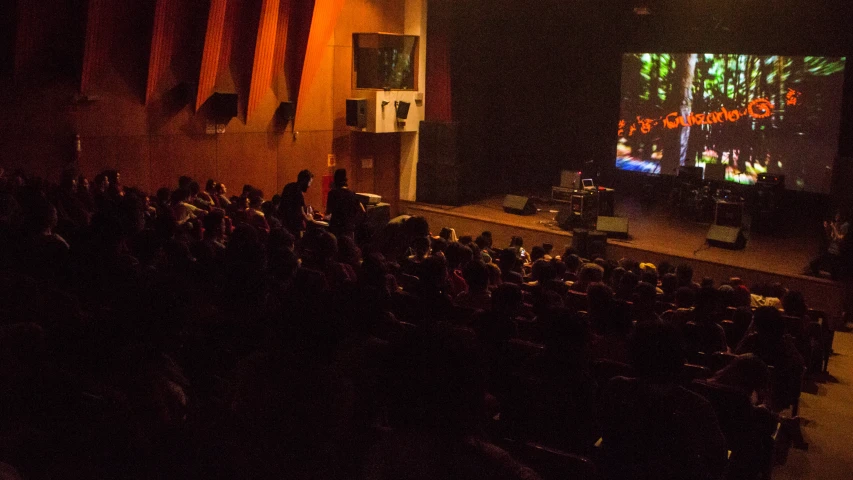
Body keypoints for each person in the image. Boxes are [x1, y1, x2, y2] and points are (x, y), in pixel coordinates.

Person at [809, 209, 849, 279]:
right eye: (836, 215)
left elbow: (840, 239)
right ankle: (818, 281)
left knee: (834, 275)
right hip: (830, 251)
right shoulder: (836, 224)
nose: (836, 216)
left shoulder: (845, 225)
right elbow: (831, 239)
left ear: (842, 216)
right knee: (813, 264)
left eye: (837, 215)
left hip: (837, 253)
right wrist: (826, 229)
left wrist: (833, 228)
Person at [325, 169, 364, 239]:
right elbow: (362, 210)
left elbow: (328, 212)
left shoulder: (332, 194)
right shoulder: (352, 194)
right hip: (349, 230)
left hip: (336, 230)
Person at [278, 169, 315, 237]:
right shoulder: (298, 192)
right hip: (293, 226)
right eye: (309, 182)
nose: (309, 185)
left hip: (284, 224)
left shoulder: (288, 186)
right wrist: (311, 220)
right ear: (305, 181)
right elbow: (301, 212)